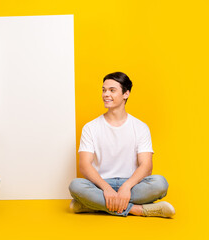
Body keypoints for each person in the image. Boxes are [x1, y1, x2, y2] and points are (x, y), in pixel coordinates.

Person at [69, 72, 175, 217]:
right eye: (104, 90)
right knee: (76, 186)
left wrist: (126, 187)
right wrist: (106, 189)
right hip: (100, 185)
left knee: (160, 183)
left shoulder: (140, 127)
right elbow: (84, 165)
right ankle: (138, 210)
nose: (106, 94)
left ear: (126, 94)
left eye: (112, 90)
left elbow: (146, 166)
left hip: (132, 185)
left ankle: (92, 205)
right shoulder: (90, 127)